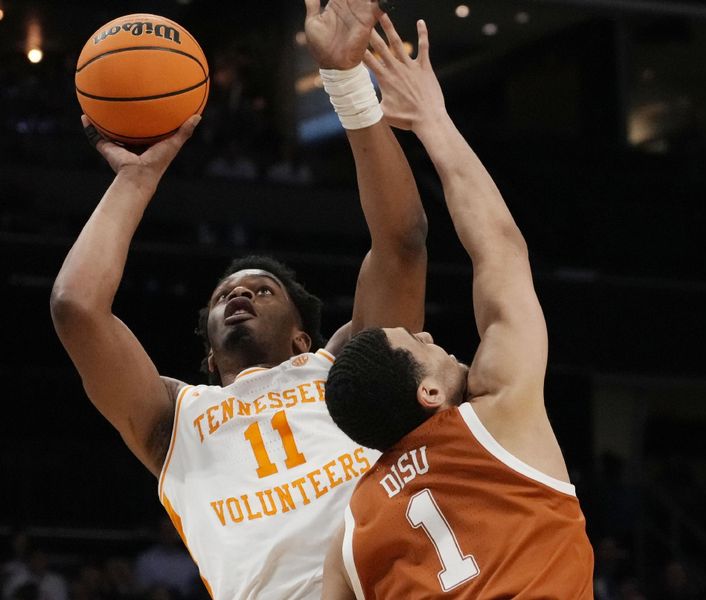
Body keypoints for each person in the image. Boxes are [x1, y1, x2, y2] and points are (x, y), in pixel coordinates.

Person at [49, 1, 427, 598]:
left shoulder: (347, 372)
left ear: (304, 337)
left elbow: (401, 245)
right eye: (226, 294)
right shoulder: (174, 420)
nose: (240, 294)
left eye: (262, 289)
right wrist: (135, 180)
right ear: (207, 359)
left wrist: (346, 79)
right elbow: (76, 307)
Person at [322, 15, 594, 599]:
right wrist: (430, 119)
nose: (435, 339)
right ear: (428, 393)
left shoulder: (349, 533)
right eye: (421, 344)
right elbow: (500, 248)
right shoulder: (497, 412)